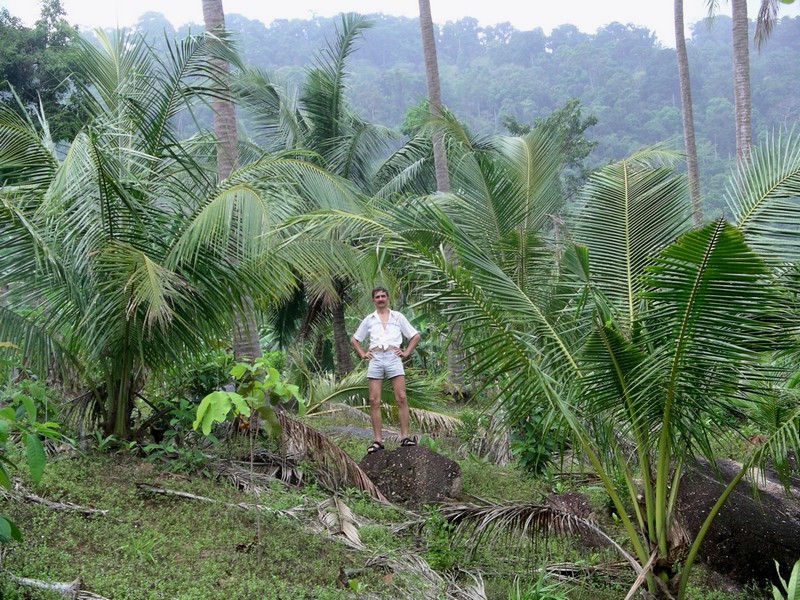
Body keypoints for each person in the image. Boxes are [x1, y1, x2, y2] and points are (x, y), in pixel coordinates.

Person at [350, 286, 420, 454]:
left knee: (401, 397)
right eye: (377, 297)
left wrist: (406, 352)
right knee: (374, 400)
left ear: (387, 298)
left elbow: (415, 335)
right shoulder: (369, 319)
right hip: (376, 358)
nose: (380, 299)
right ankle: (378, 440)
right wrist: (363, 354)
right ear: (373, 300)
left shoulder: (398, 317)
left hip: (393, 357)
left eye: (383, 296)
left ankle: (404, 437)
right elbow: (354, 339)